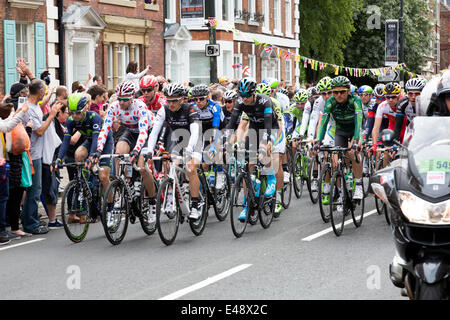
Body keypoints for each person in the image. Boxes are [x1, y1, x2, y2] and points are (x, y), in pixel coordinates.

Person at [93, 81, 155, 227]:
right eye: (119, 98)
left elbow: (144, 132)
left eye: (125, 99)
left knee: (141, 168)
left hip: (145, 133)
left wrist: (136, 150)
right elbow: (105, 129)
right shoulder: (114, 107)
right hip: (129, 131)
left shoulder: (140, 106)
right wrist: (99, 150)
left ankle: (152, 201)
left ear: (132, 97)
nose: (121, 102)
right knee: (119, 152)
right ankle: (124, 183)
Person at [225, 77, 279, 220]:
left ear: (254, 93)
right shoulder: (240, 103)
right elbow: (232, 124)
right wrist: (227, 143)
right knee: (248, 164)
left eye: (247, 96)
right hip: (254, 127)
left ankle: (271, 177)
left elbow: (268, 125)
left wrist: (267, 143)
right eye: (241, 96)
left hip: (270, 128)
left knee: (262, 149)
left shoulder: (265, 101)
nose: (244, 99)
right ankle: (247, 205)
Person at [146, 83, 203, 219]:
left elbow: (195, 132)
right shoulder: (164, 109)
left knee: (191, 167)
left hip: (195, 141)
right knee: (171, 164)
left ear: (182, 99)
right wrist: (149, 150)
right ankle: (174, 193)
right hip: (178, 141)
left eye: (174, 101)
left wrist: (189, 149)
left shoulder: (190, 108)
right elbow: (154, 132)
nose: (171, 104)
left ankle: (195, 205)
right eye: (168, 100)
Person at [21, 79, 63, 235]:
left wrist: (51, 93)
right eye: (44, 91)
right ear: (39, 92)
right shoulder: (31, 109)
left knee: (33, 189)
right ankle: (31, 224)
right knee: (35, 189)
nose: (45, 94)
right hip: (34, 153)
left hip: (34, 152)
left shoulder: (32, 105)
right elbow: (39, 131)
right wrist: (51, 115)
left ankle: (28, 220)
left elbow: (41, 103)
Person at [317, 76, 364, 201]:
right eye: (335, 92)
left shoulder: (355, 100)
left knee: (352, 152)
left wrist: (356, 140)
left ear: (348, 91)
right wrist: (318, 141)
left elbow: (359, 121)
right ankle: (341, 191)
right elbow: (324, 123)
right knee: (335, 160)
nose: (338, 95)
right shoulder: (330, 102)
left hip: (355, 129)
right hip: (340, 131)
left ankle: (359, 185)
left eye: (342, 91)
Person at [0, 101, 29, 244]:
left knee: (6, 197)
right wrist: (21, 113)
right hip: (5, 163)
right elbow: (7, 127)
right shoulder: (4, 122)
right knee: (5, 197)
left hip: (5, 162)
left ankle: (4, 230)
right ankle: (3, 231)